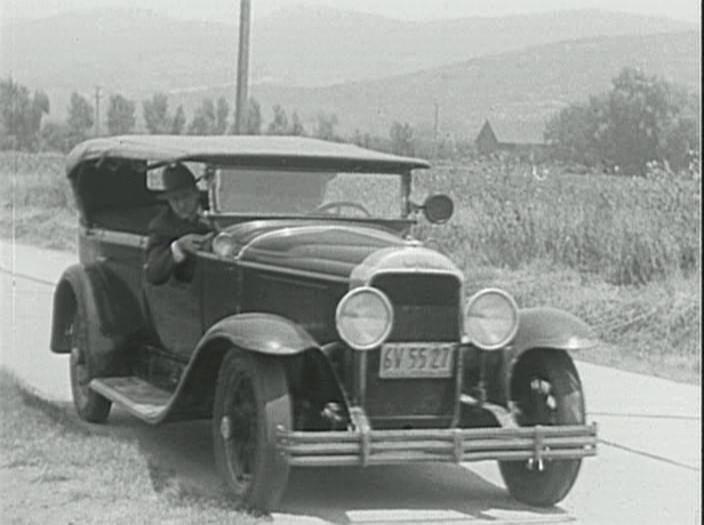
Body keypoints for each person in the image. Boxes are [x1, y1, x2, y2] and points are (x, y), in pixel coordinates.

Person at [144, 163, 211, 285]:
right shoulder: (161, 226)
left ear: (196, 193)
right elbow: (153, 273)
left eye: (186, 196)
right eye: (175, 199)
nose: (181, 205)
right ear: (168, 201)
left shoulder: (215, 210)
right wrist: (178, 247)